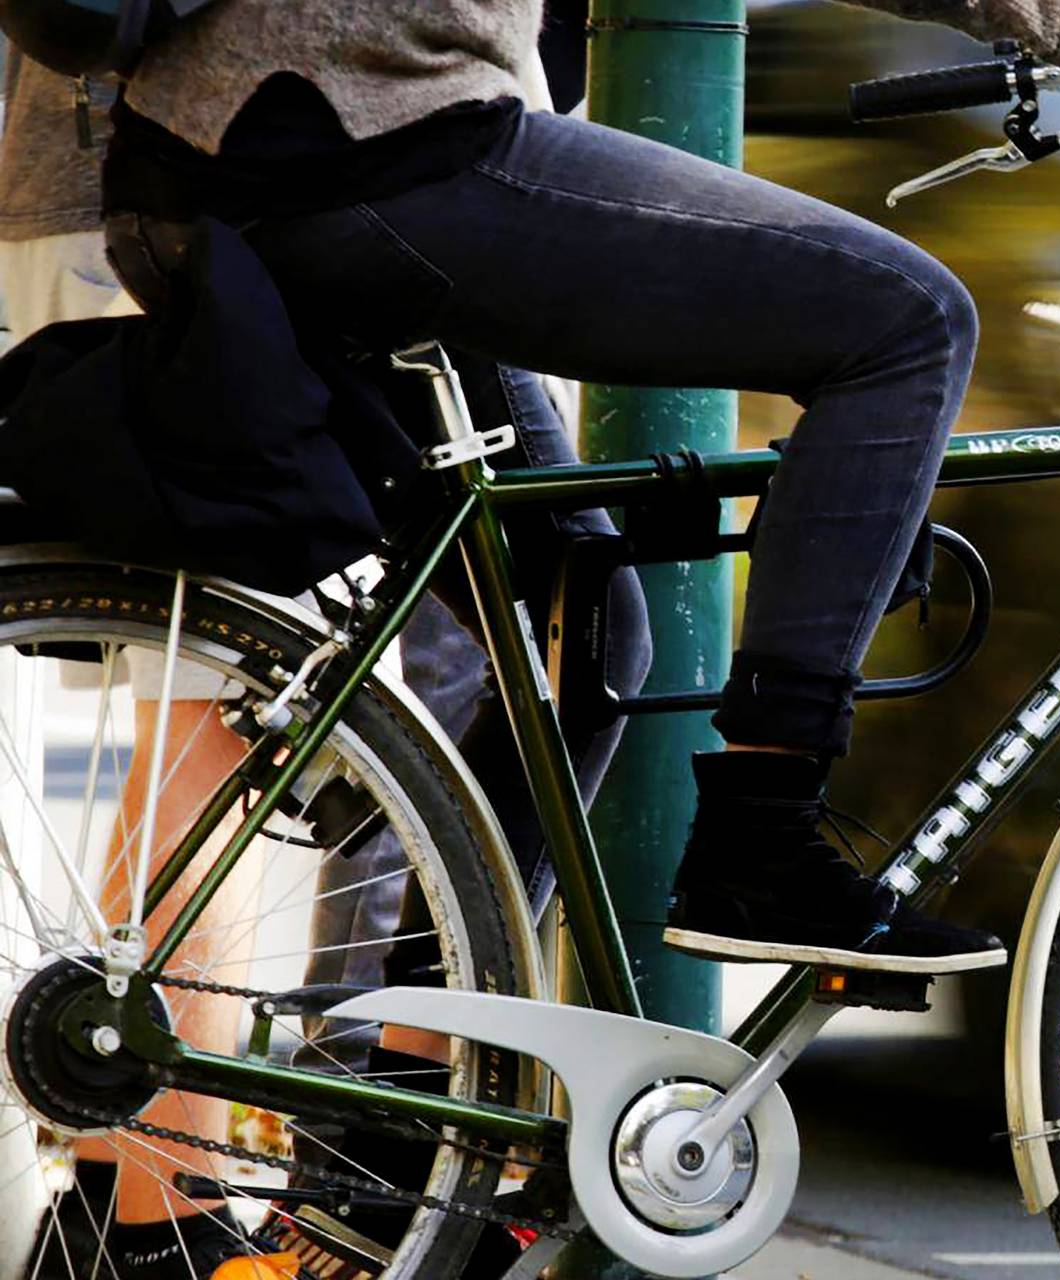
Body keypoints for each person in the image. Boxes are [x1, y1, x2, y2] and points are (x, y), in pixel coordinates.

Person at [105, 0, 1060, 976]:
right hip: (362, 140)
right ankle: (761, 841)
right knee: (906, 323)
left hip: (242, 160)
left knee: (586, 639)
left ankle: (404, 1163)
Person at [2, 25, 650, 1276]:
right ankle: (173, 1230)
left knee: (263, 697)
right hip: (229, 199)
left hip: (133, 189)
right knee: (235, 703)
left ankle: (150, 1197)